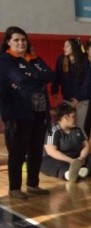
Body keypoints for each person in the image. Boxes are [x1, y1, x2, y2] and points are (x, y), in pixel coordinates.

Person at [0, 26, 54, 199]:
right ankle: (14, 188)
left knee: (36, 150)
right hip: (17, 114)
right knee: (17, 152)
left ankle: (33, 184)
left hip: (38, 112)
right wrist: (37, 75)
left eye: (23, 40)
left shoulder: (34, 59)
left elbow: (51, 76)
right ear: (8, 42)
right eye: (16, 40)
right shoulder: (5, 60)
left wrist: (33, 72)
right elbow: (21, 79)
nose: (21, 43)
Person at [42, 102, 91, 182]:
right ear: (65, 117)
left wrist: (82, 158)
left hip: (78, 160)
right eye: (73, 117)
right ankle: (68, 174)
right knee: (45, 163)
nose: (76, 119)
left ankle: (83, 172)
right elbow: (51, 151)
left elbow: (86, 146)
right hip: (60, 160)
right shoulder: (53, 130)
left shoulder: (79, 130)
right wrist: (71, 161)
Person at [52, 38, 91, 132]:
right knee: (67, 126)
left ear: (74, 47)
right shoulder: (61, 59)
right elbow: (57, 76)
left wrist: (78, 98)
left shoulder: (84, 61)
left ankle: (80, 146)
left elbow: (87, 81)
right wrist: (54, 90)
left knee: (79, 126)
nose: (64, 48)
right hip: (67, 98)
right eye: (64, 46)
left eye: (67, 46)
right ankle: (68, 146)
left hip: (82, 100)